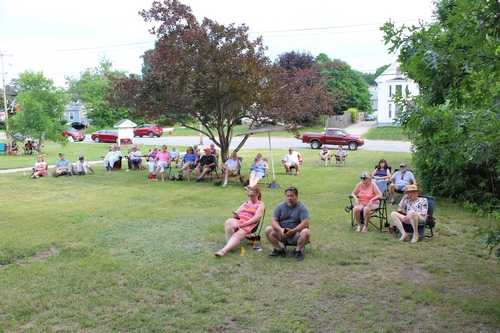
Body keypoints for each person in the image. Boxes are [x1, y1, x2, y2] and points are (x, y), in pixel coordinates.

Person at [214, 187, 265, 257]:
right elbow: (237, 212)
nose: (250, 197)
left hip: (250, 224)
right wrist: (235, 215)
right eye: (249, 195)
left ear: (257, 194)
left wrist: (246, 223)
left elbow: (257, 217)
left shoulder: (260, 204)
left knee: (238, 235)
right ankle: (230, 246)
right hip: (240, 220)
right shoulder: (246, 202)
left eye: (252, 195)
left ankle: (223, 251)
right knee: (229, 222)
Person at [265, 186, 310, 261]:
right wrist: (280, 230)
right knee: (268, 229)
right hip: (282, 234)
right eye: (287, 196)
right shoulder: (280, 206)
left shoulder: (302, 208)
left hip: (296, 235)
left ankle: (297, 251)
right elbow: (274, 221)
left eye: (292, 196)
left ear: (297, 196)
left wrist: (293, 231)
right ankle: (279, 250)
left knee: (306, 232)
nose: (289, 198)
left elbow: (305, 224)